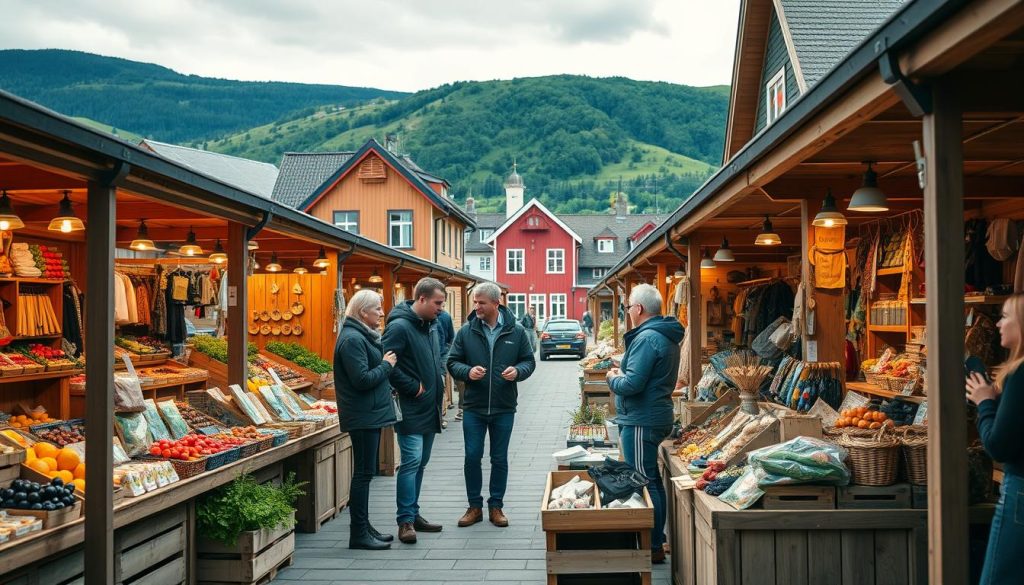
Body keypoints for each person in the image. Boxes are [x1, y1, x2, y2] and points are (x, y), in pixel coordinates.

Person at [606, 284, 684, 564]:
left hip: (642, 419)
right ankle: (655, 541)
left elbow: (632, 384)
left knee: (644, 481)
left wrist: (612, 377)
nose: (627, 312)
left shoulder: (647, 338)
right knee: (651, 479)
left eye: (628, 307)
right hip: (652, 414)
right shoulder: (662, 335)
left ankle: (652, 545)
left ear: (638, 309)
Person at [447, 282, 536, 528]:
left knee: (499, 458)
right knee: (472, 456)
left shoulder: (516, 332)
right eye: (475, 302)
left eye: (481, 302)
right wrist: (467, 371)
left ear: (496, 304)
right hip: (473, 407)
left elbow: (529, 361)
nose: (476, 306)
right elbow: (452, 362)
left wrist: (517, 371)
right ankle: (474, 507)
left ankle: (496, 506)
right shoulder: (466, 332)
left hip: (504, 407)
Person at [382, 277, 447, 544]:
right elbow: (387, 364)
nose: (441, 308)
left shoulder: (430, 325)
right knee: (410, 462)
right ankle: (405, 521)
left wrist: (439, 377)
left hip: (430, 406)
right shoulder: (399, 327)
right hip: (410, 407)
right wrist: (413, 387)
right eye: (437, 303)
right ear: (421, 299)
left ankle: (414, 512)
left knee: (421, 463)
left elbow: (439, 354)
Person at [967, 294, 1024, 584]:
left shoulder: (1020, 374)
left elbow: (997, 445)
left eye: (1006, 317)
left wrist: (984, 403)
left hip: (1019, 494)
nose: (999, 323)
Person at [335, 290, 398, 550]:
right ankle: (358, 533)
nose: (382, 314)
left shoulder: (360, 336)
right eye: (377, 309)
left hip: (368, 413)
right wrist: (386, 365)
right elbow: (361, 380)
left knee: (366, 472)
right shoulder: (352, 339)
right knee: (362, 474)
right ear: (363, 312)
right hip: (362, 415)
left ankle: (365, 527)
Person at [437, 308, 455, 428]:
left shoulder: (445, 317)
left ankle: (441, 416)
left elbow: (450, 337)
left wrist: (445, 351)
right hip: (428, 356)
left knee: (441, 383)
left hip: (442, 354)